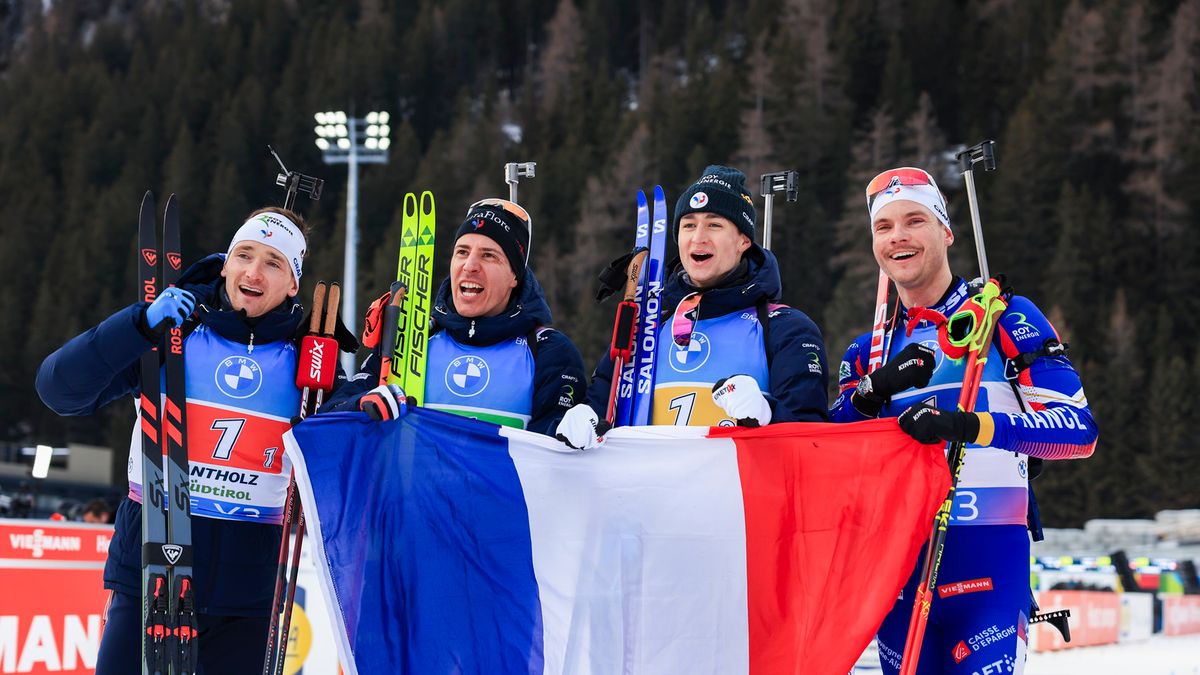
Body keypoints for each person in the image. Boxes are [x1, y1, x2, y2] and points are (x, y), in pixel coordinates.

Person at [36, 207, 343, 674]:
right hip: (150, 577)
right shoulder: (171, 331)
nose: (253, 272)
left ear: (293, 284)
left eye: (273, 263)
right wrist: (138, 325)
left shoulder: (311, 361)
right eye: (244, 255)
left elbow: (349, 449)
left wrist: (370, 396)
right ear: (225, 264)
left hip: (247, 597)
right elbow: (60, 390)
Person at [829, 167, 1098, 674]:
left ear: (946, 231)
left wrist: (970, 427)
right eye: (883, 228)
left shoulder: (1003, 318)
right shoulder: (868, 351)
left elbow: (1078, 430)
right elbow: (830, 458)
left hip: (988, 573)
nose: (898, 237)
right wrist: (872, 392)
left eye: (914, 221)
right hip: (898, 582)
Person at [556, 165, 829, 449]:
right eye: (688, 225)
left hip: (738, 492)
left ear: (743, 241)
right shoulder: (648, 326)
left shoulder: (784, 327)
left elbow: (811, 441)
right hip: (645, 490)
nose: (698, 237)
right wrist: (583, 416)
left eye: (714, 224)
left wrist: (768, 413)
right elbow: (600, 406)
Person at [332, 198, 588, 435]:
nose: (470, 265)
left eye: (489, 255)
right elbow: (331, 415)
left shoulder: (548, 351)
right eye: (462, 252)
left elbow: (556, 459)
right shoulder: (412, 340)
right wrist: (360, 406)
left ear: (515, 276)